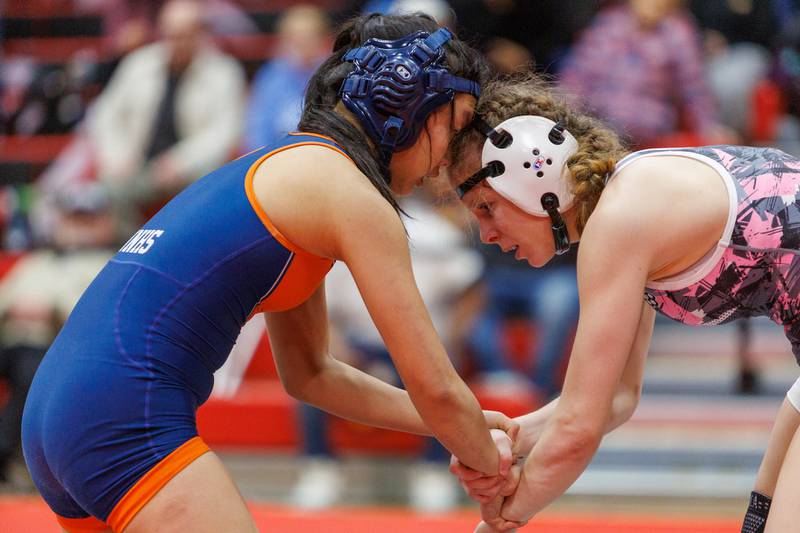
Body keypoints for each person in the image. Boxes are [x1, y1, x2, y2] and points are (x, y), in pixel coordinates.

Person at [21, 13, 517, 533]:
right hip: (121, 415)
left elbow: (312, 375)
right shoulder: (351, 196)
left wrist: (461, 426)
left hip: (59, 405)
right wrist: (493, 465)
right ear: (403, 101)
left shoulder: (293, 167)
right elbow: (436, 387)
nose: (447, 162)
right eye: (455, 124)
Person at [445, 73, 800, 533]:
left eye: (486, 208)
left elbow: (578, 429)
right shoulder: (630, 199)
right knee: (762, 518)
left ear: (533, 172)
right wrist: (510, 440)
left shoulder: (620, 220)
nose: (487, 235)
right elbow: (616, 398)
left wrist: (502, 517)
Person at [86, 0, 246, 238]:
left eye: (184, 35)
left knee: (207, 188)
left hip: (193, 172)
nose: (176, 43)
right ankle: (131, 248)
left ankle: (188, 252)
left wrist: (180, 162)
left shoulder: (224, 72)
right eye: (171, 35)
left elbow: (225, 133)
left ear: (200, 34)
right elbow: (104, 114)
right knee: (110, 187)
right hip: (138, 167)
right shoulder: (138, 64)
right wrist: (117, 155)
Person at [243, 5, 331, 152]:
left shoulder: (332, 76)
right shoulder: (271, 75)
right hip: (276, 154)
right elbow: (257, 129)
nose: (302, 44)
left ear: (322, 39)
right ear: (283, 41)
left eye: (309, 37)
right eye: (295, 38)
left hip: (323, 152)